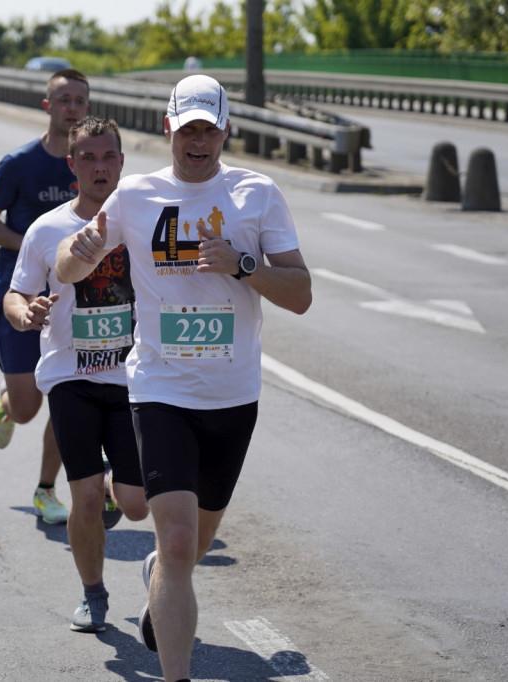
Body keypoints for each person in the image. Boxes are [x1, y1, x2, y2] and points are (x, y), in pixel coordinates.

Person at [55, 74, 312, 681]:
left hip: (232, 395)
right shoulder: (136, 196)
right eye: (187, 128)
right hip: (160, 389)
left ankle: (158, 584)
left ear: (226, 130)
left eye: (209, 128)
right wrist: (84, 251)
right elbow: (66, 267)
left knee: (188, 550)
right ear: (168, 128)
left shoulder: (257, 193)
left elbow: (300, 295)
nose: (198, 140)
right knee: (175, 541)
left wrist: (244, 264)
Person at [4, 116, 149, 633]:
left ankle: (117, 490)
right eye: (87, 157)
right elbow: (16, 292)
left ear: (122, 163)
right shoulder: (48, 229)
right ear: (72, 166)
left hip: (135, 380)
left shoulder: (145, 222)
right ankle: (93, 595)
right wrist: (25, 314)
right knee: (82, 496)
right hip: (71, 376)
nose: (99, 166)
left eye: (108, 156)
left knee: (135, 506)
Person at [0, 68, 89, 525]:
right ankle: (6, 400)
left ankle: (46, 490)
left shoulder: (93, 164)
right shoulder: (20, 163)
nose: (72, 108)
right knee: (26, 410)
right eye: (64, 100)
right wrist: (35, 246)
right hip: (20, 302)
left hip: (75, 307)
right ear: (48, 106)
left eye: (80, 100)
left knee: (67, 399)